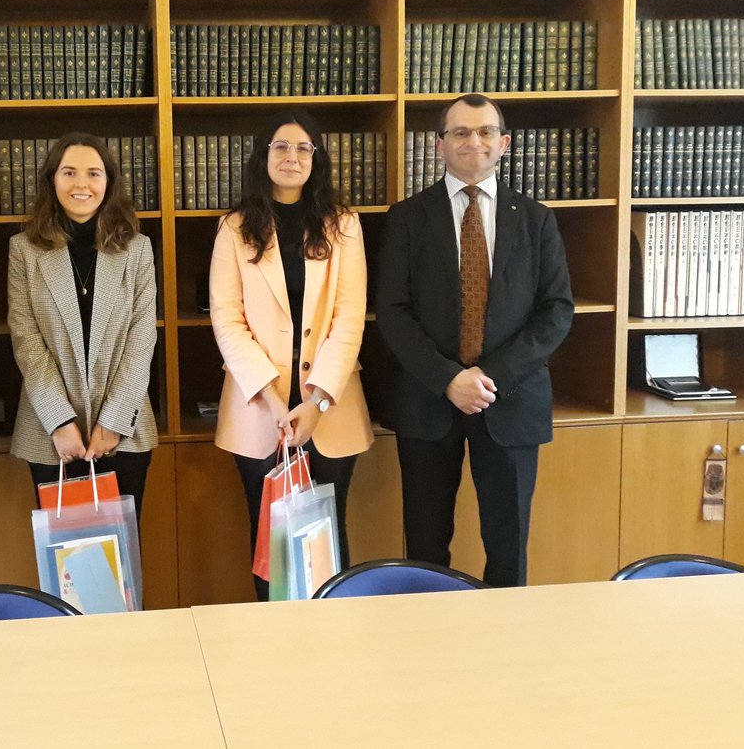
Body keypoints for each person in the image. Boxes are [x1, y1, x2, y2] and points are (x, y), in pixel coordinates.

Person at [376, 93, 573, 588]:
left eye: (485, 131)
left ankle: (506, 656)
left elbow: (556, 312)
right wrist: (449, 380)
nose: (474, 141)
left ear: (503, 143)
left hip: (511, 402)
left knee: (508, 546)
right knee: (425, 543)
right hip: (427, 401)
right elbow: (393, 314)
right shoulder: (406, 218)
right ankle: (428, 650)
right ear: (440, 144)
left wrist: (488, 378)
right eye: (460, 132)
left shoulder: (536, 219)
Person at [209, 110, 373, 601]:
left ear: (315, 159)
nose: (292, 157)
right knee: (268, 542)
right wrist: (277, 403)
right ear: (264, 156)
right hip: (260, 412)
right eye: (281, 147)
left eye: (303, 148)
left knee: (328, 536)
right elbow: (227, 320)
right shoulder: (235, 228)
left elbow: (350, 317)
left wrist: (317, 402)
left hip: (330, 413)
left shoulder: (342, 225)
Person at [7, 133, 157, 520]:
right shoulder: (24, 249)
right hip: (49, 432)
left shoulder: (137, 249)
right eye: (69, 172)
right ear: (52, 180)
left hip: (123, 431)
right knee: (66, 563)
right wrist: (59, 420)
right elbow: (26, 340)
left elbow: (142, 337)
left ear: (108, 183)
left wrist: (113, 420)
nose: (81, 184)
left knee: (121, 561)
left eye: (93, 173)